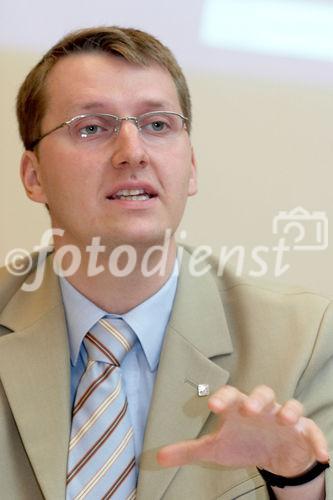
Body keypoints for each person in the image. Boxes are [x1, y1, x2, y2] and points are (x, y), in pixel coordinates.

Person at [0, 26, 331, 500]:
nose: (132, 152)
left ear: (190, 166)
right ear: (34, 176)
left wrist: (297, 480)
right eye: (91, 128)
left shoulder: (303, 340)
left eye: (157, 125)